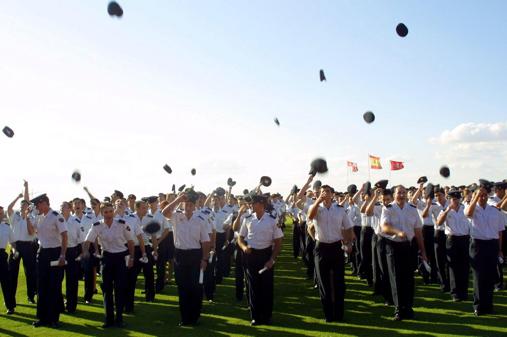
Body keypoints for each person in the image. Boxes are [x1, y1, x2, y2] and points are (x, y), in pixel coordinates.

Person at [161, 189, 210, 326]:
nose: (188, 207)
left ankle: (194, 316)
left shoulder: (200, 220)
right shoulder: (176, 216)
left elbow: (205, 241)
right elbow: (164, 212)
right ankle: (185, 318)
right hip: (180, 255)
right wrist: (178, 199)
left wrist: (205, 259)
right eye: (186, 204)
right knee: (182, 287)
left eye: (190, 204)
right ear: (183, 204)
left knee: (195, 286)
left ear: (194, 206)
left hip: (195, 254)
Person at [82, 202, 135, 328]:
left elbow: (131, 242)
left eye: (111, 211)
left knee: (119, 289)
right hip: (106, 258)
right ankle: (108, 319)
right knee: (106, 290)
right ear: (102, 213)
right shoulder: (97, 226)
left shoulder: (121, 224)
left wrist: (131, 258)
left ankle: (119, 319)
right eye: (106, 212)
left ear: (113, 212)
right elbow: (87, 241)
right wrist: (85, 252)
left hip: (120, 257)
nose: (109, 214)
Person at [307, 184, 354, 322]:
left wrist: (349, 242)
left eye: (327, 191)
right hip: (321, 247)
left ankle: (339, 314)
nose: (325, 194)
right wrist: (318, 201)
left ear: (332, 194)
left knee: (339, 282)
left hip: (336, 247)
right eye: (322, 192)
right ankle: (328, 314)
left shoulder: (339, 210)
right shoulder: (315, 207)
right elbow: (310, 216)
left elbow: (348, 226)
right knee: (324, 282)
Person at [380, 185, 427, 321]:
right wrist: (398, 232)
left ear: (407, 194)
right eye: (398, 192)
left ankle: (408, 308)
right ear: (394, 194)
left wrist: (423, 251)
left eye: (403, 192)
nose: (401, 195)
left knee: (408, 278)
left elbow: (418, 232)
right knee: (396, 278)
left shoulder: (412, 209)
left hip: (409, 246)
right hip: (393, 246)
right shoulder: (388, 208)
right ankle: (399, 309)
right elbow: (384, 227)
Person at [237, 194, 283, 326]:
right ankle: (255, 316)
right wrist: (244, 247)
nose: (251, 205)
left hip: (266, 254)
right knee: (253, 286)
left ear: (261, 205)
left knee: (267, 287)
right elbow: (240, 237)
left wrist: (272, 259)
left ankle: (267, 316)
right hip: (251, 255)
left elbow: (278, 241)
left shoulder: (272, 220)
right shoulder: (248, 219)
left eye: (254, 203)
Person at [465, 182, 504, 316]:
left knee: (490, 276)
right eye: (479, 195)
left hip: (492, 245)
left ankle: (488, 305)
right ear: (475, 196)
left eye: (484, 195)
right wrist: (475, 197)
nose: (482, 197)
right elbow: (468, 214)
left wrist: (499, 250)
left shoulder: (494, 210)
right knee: (478, 277)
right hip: (478, 245)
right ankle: (478, 306)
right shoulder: (472, 208)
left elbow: (499, 231)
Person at [29, 194, 68, 328]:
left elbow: (64, 236)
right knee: (42, 287)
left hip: (55, 252)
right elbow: (30, 232)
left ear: (44, 203)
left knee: (54, 287)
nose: (37, 208)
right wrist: (28, 218)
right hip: (42, 252)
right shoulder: (39, 217)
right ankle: (42, 318)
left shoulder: (56, 216)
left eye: (38, 205)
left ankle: (54, 318)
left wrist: (62, 255)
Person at [436, 188, 470, 301]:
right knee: (453, 267)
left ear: (460, 199)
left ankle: (464, 292)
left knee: (464, 266)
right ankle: (455, 293)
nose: (454, 201)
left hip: (464, 239)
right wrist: (447, 211)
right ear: (449, 199)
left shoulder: (465, 209)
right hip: (452, 240)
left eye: (456, 199)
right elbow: (438, 223)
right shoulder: (445, 210)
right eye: (452, 199)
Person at [7, 181, 37, 304]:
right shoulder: (15, 217)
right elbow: (9, 208)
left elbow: (31, 233)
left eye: (24, 206)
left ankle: (31, 296)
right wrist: (18, 197)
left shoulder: (32, 217)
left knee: (30, 273)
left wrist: (26, 188)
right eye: (21, 206)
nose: (22, 207)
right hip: (16, 246)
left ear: (28, 208)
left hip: (29, 246)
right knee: (11, 273)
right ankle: (10, 299)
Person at [60, 201, 84, 313]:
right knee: (57, 280)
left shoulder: (76, 221)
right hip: (58, 251)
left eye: (63, 207)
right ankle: (59, 305)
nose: (61, 209)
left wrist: (82, 253)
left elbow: (82, 240)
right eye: (60, 207)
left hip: (72, 252)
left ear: (70, 209)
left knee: (72, 281)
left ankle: (71, 305)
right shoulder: (57, 220)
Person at [0, 205, 16, 314]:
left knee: (6, 283)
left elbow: (12, 242)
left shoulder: (6, 227)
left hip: (1, 256)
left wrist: (14, 250)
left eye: (1, 213)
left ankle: (10, 306)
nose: (0, 215)